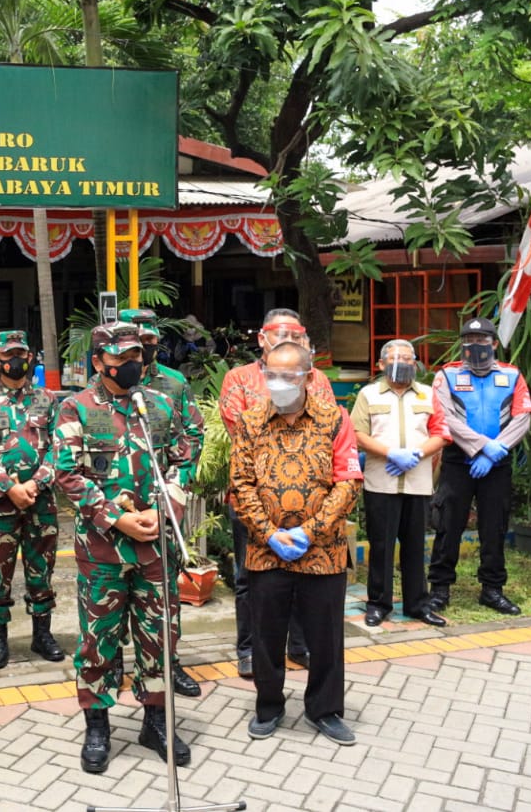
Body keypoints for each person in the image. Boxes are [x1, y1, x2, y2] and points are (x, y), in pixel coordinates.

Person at [51, 323, 197, 773]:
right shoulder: (76, 407)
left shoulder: (157, 404)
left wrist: (169, 500)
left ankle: (156, 720)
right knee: (100, 640)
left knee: (159, 636)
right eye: (120, 360)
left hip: (156, 545)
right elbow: (66, 473)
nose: (131, 366)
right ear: (98, 362)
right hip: (103, 549)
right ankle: (98, 725)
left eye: (136, 356)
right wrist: (117, 518)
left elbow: (185, 455)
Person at [230, 341, 362, 746]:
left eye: (288, 375)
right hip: (266, 550)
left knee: (324, 637)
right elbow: (241, 483)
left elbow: (348, 480)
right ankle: (269, 707)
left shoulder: (334, 420)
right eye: (272, 374)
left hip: (322, 549)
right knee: (266, 634)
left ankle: (324, 709)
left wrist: (311, 531)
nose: (279, 382)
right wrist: (269, 533)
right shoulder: (250, 422)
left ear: (307, 375)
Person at [218, 308, 333, 678]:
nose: (286, 340)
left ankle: (299, 647)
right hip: (254, 502)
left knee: (305, 577)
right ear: (261, 339)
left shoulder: (319, 380)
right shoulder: (239, 379)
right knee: (248, 579)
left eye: (294, 335)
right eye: (278, 333)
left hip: (310, 502)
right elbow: (242, 429)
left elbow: (328, 430)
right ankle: (249, 650)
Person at [118, 307, 205, 698]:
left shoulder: (174, 384)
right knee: (116, 597)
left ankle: (168, 662)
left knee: (164, 594)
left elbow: (194, 437)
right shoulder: (106, 383)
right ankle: (118, 667)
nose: (146, 352)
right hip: (118, 510)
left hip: (164, 505)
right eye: (139, 345)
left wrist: (173, 493)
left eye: (152, 344)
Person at [0, 330, 64, 669]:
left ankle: (42, 635)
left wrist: (36, 484)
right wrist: (10, 487)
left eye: (21, 353)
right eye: (9, 355)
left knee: (42, 569)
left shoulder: (47, 400)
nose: (17, 361)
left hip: (42, 502)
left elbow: (60, 447)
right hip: (1, 504)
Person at [428, 317, 531, 615]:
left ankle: (492, 589)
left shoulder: (512, 375)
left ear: (494, 344)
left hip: (497, 465)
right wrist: (480, 447)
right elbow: (444, 417)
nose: (476, 346)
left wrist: (495, 451)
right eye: (470, 341)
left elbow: (523, 415)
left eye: (482, 341)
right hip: (458, 462)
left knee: (494, 527)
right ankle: (439, 588)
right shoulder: (446, 376)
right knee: (448, 525)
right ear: (462, 344)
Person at [351, 339, 450, 628]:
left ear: (416, 363)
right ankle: (378, 604)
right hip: (381, 482)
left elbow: (441, 432)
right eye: (395, 359)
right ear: (381, 365)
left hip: (418, 482)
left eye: (408, 359)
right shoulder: (369, 395)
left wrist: (417, 454)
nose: (402, 364)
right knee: (381, 546)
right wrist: (390, 453)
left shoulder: (428, 394)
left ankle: (418, 604)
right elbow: (357, 433)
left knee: (415, 545)